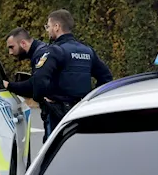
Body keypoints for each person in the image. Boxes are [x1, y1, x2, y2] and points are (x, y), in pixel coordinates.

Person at [33, 9, 113, 140]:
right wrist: (92, 99)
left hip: (56, 113)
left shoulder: (54, 51)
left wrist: (43, 98)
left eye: (48, 26)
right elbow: (106, 78)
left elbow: (39, 79)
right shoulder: (87, 51)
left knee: (53, 152)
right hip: (81, 111)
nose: (47, 30)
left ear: (57, 27)